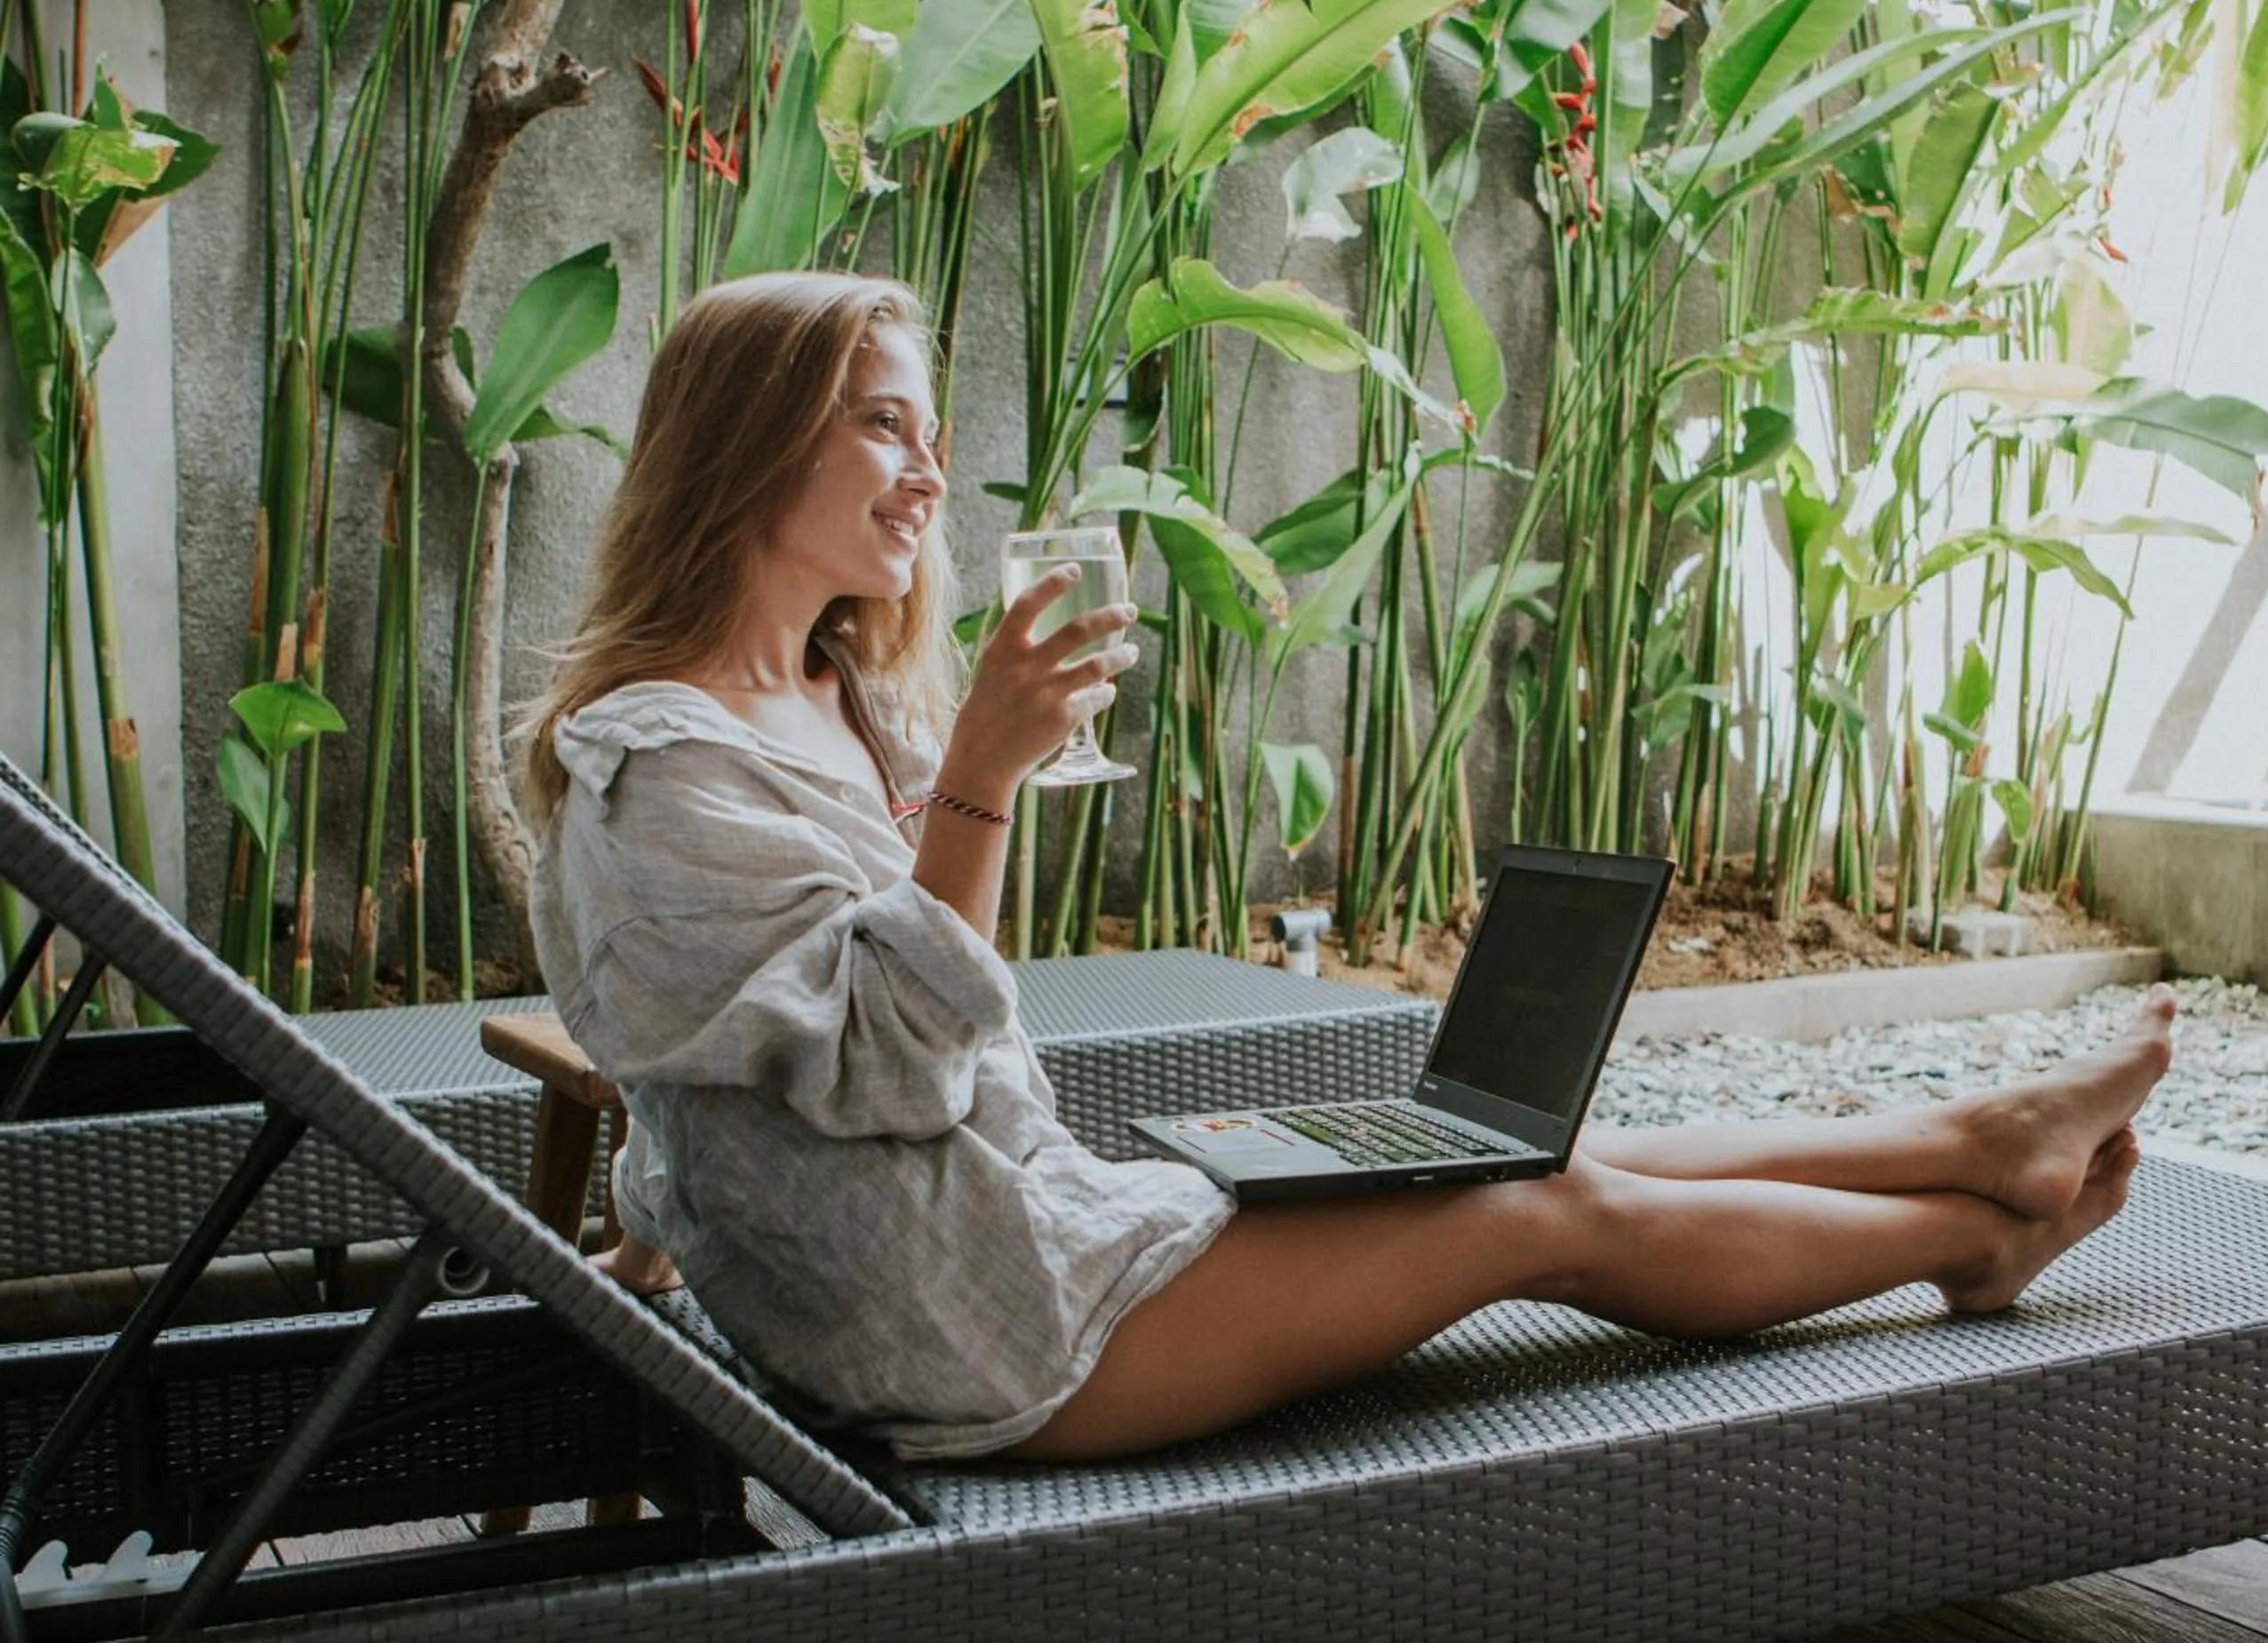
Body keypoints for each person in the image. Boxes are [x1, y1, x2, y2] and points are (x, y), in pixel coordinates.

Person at [517, 271, 2176, 1466]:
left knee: (1503, 1145)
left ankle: (1980, 1142)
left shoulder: (830, 696)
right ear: (748, 443)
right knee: (1536, 1212)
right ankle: (1968, 1240)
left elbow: (706, 1069)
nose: (933, 472)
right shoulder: (659, 773)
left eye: (930, 430)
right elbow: (882, 1063)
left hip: (1039, 1228)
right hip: (983, 1340)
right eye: (884, 426)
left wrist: (657, 1236)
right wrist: (981, 783)